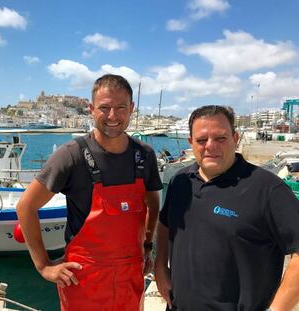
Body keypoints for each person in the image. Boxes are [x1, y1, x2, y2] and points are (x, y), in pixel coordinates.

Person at [16, 74, 162, 310]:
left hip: (129, 280)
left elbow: (153, 204)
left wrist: (147, 247)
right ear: (92, 109)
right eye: (104, 108)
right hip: (83, 282)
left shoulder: (144, 155)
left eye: (121, 107)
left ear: (132, 108)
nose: (113, 116)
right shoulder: (71, 155)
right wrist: (44, 266)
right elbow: (25, 207)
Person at [155, 105, 299, 310]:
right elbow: (165, 223)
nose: (210, 146)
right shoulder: (181, 180)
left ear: (235, 138)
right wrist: (160, 267)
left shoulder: (267, 188)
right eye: (202, 140)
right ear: (190, 143)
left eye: (220, 138)